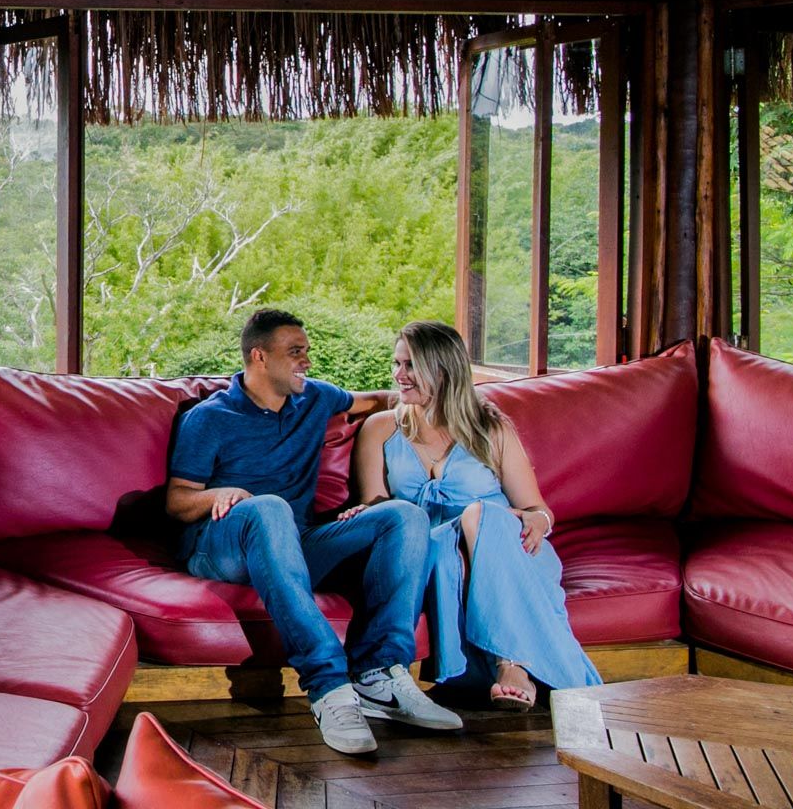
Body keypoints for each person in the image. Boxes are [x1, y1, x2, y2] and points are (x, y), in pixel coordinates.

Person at [168, 309, 462, 756]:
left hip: (295, 541)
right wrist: (219, 494)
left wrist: (457, 401)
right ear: (259, 357)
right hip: (221, 546)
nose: (307, 361)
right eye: (296, 352)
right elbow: (177, 501)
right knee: (269, 508)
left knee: (404, 515)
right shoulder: (210, 418)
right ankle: (327, 687)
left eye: (307, 351)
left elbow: (379, 400)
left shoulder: (315, 399)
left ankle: (379, 676)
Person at [347, 320, 600, 710]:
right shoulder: (380, 429)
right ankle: (520, 667)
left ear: (443, 371)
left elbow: (537, 509)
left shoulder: (491, 429)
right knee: (451, 546)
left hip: (507, 549)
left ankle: (511, 662)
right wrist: (361, 515)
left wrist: (539, 521)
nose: (399, 375)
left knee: (482, 515)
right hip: (432, 549)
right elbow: (380, 508)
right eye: (397, 364)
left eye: (410, 365)